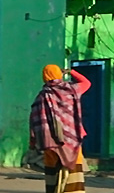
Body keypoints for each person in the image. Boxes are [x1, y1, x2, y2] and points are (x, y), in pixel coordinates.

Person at [30, 64, 91, 193]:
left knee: (53, 176)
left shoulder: (42, 96)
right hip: (71, 142)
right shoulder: (72, 90)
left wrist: (33, 142)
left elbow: (36, 121)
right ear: (59, 74)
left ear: (44, 77)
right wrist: (71, 71)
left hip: (51, 144)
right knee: (74, 173)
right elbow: (86, 82)